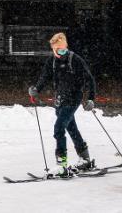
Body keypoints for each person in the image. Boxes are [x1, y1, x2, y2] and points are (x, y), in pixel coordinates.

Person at [28, 32, 97, 176]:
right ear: (53, 49)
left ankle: (62, 164)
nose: (62, 52)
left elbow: (90, 79)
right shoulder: (52, 61)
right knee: (71, 128)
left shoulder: (75, 59)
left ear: (66, 46)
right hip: (59, 99)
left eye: (64, 49)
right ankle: (85, 159)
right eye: (58, 50)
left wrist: (91, 99)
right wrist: (36, 90)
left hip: (73, 98)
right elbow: (44, 77)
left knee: (59, 128)